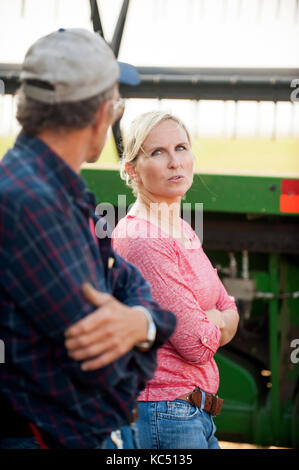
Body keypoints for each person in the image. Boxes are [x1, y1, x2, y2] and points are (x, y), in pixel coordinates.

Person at [0, 30, 176, 449]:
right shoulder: (33, 204)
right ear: (102, 114)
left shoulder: (55, 188)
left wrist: (141, 322)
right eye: (118, 102)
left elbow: (123, 278)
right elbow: (107, 372)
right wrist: (151, 327)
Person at [110, 111, 240, 449]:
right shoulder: (143, 238)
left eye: (181, 148)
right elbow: (196, 344)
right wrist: (216, 319)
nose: (174, 162)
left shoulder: (180, 228)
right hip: (163, 414)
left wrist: (217, 317)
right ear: (132, 170)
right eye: (157, 152)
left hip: (193, 412)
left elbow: (228, 306)